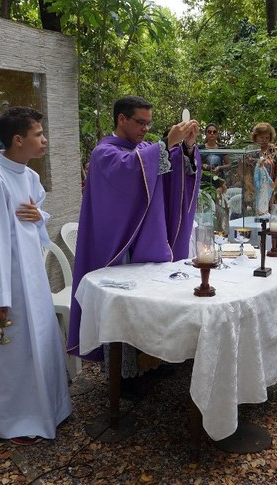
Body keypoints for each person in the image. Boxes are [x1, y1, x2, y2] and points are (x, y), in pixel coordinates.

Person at [68, 96, 200, 378]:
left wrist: (186, 147)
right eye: (140, 122)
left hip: (147, 242)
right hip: (119, 246)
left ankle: (154, 362)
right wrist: (166, 143)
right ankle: (124, 375)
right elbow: (130, 169)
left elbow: (168, 171)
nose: (145, 129)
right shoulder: (104, 153)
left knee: (149, 307)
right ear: (121, 119)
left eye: (148, 123)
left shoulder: (142, 149)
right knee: (124, 308)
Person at [0, 106, 72, 445]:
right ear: (17, 139)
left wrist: (39, 215)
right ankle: (14, 421)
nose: (45, 140)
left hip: (33, 276)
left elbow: (36, 216)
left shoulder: (28, 176)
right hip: (7, 282)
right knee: (12, 353)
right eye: (38, 134)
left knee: (39, 342)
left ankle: (49, 409)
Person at [241, 122, 277, 215]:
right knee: (252, 218)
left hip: (269, 191)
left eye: (267, 138)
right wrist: (250, 185)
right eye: (261, 137)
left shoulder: (274, 150)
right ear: (255, 137)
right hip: (251, 191)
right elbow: (242, 172)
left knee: (268, 219)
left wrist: (273, 186)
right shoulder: (248, 150)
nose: (264, 140)